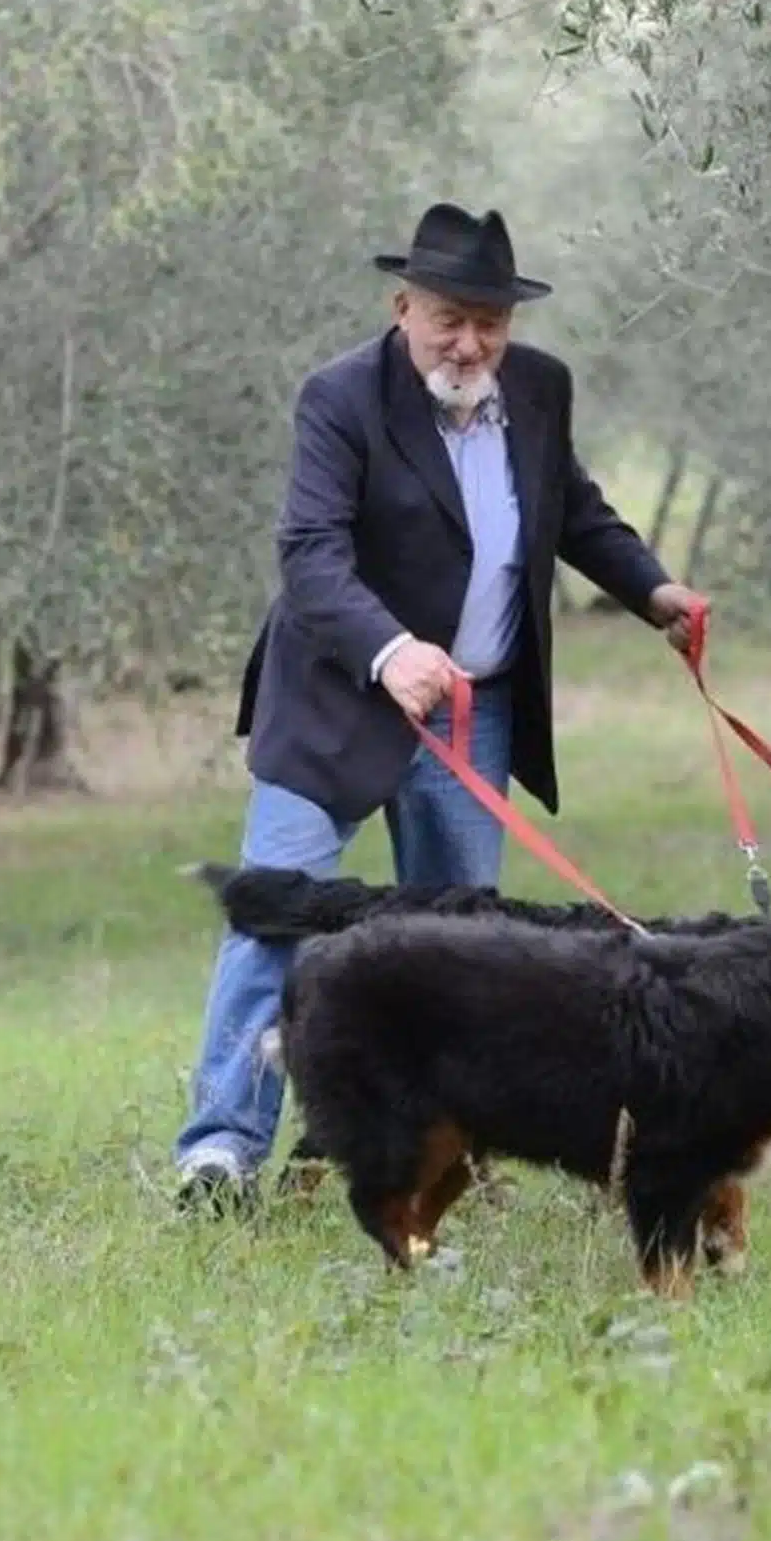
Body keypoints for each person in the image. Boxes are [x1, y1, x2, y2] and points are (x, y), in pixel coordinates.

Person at [174, 202, 708, 1210]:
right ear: (402, 305)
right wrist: (388, 650)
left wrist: (652, 592)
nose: (469, 344)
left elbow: (574, 511)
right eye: (448, 320)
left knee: (461, 955)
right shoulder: (338, 397)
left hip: (474, 715)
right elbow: (310, 556)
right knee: (275, 916)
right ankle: (219, 1150)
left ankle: (421, 1147)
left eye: (490, 324)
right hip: (335, 701)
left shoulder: (539, 389)